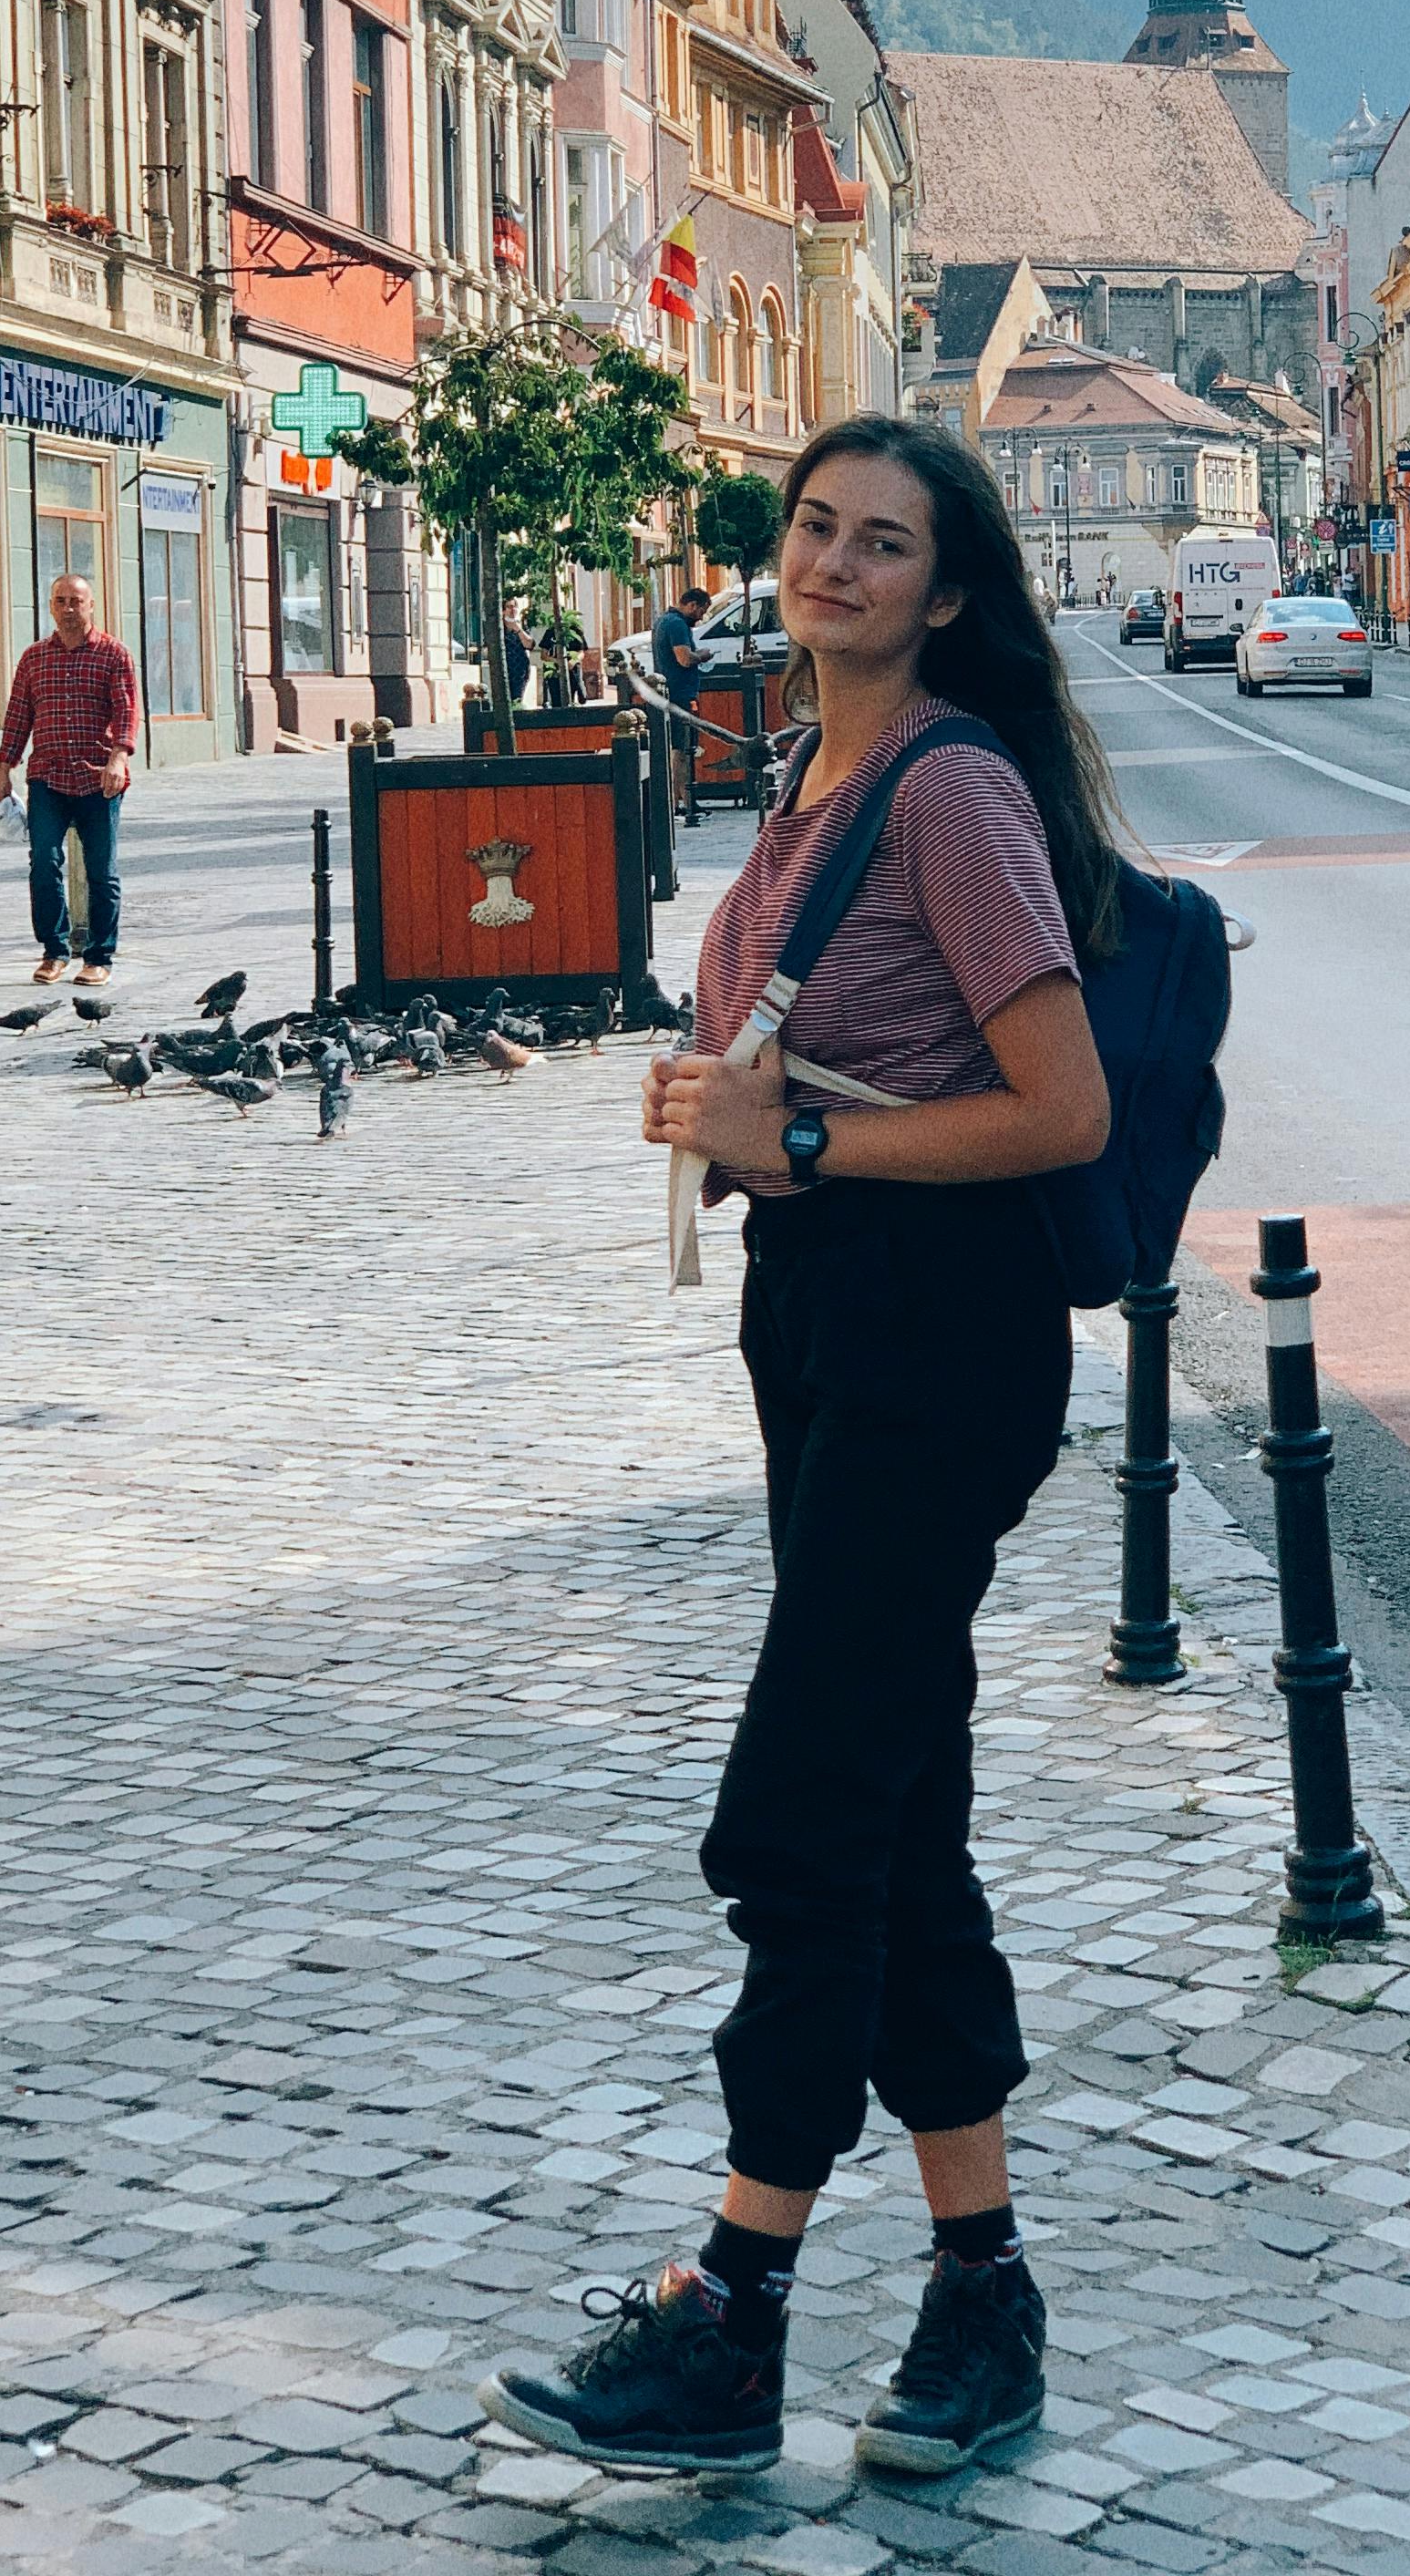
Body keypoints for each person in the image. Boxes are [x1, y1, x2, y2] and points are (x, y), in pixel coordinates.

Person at [484, 417, 1115, 2485]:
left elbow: (1064, 1106)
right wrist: (729, 1111)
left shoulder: (951, 788)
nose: (833, 564)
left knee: (804, 1806)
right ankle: (984, 2292)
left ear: (947, 591)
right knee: (899, 1803)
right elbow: (803, 1067)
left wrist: (811, 1135)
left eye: (884, 544)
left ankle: (732, 2308)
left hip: (941, 1334)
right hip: (824, 1321)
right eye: (814, 528)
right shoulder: (806, 778)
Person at [0, 573, 138, 987]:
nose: (69, 609)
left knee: (102, 870)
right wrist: (5, 770)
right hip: (48, 777)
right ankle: (54, 951)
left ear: (91, 605)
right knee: (43, 862)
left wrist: (118, 758)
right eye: (61, 601)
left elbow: (126, 712)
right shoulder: (35, 657)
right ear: (51, 607)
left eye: (77, 601)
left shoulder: (113, 654)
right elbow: (19, 715)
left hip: (98, 777)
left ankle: (99, 955)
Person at [650, 582, 710, 799]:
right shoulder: (677, 625)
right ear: (692, 605)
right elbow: (684, 659)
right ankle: (684, 801)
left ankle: (679, 800)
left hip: (670, 692)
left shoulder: (663, 621)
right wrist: (702, 655)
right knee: (683, 749)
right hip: (680, 693)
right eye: (701, 611)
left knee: (678, 747)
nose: (701, 617)